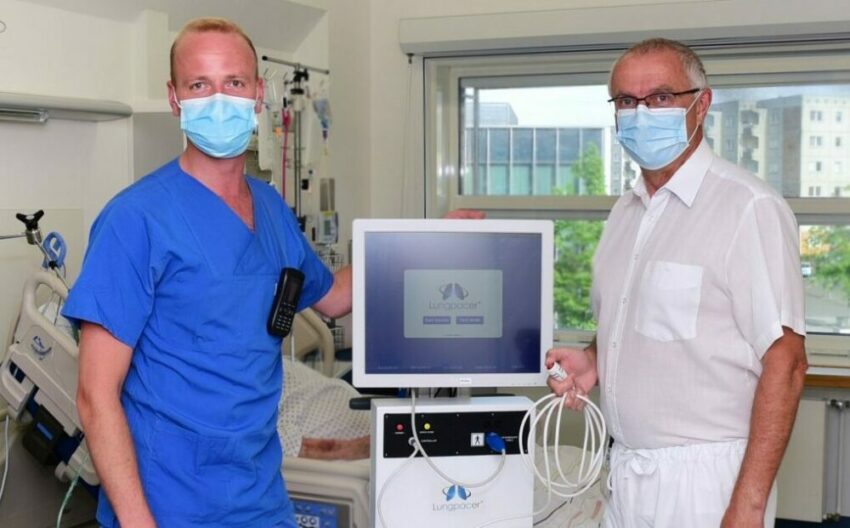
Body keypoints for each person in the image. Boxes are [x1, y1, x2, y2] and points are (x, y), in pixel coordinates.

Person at [63, 18, 351, 528]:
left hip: (261, 501)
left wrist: (425, 243)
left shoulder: (271, 209)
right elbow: (95, 395)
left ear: (258, 94)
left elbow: (333, 299)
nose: (219, 100)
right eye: (200, 85)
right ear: (175, 99)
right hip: (169, 506)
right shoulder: (136, 220)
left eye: (234, 83)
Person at [546, 38, 807, 528]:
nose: (642, 113)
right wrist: (594, 359)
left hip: (708, 481)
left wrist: (747, 507)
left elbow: (787, 362)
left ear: (701, 105)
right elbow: (640, 318)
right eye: (627, 101)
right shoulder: (626, 212)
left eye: (661, 97)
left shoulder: (747, 207)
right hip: (626, 469)